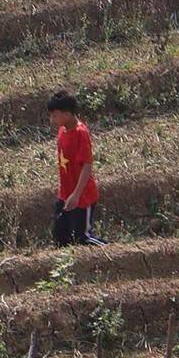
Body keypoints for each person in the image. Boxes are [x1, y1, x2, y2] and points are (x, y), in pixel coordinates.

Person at [49, 91, 99, 247]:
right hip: (65, 194)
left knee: (83, 238)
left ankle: (113, 254)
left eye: (55, 115)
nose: (52, 120)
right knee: (60, 238)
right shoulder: (63, 131)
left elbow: (87, 165)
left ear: (68, 114)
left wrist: (76, 195)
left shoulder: (80, 133)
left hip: (82, 196)